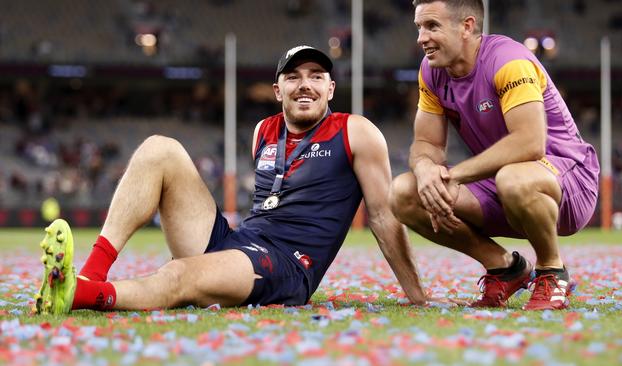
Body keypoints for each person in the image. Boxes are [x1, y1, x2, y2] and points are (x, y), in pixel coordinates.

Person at [34, 45, 438, 314]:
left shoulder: (356, 131)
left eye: (316, 76)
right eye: (294, 77)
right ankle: (92, 271)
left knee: (179, 274)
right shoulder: (263, 131)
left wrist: (416, 296)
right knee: (160, 147)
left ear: (330, 88)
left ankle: (79, 294)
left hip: (286, 266)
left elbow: (384, 217)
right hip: (239, 241)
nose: (305, 85)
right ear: (277, 88)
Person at [390, 0, 599, 310]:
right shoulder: (432, 72)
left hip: (568, 181)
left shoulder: (507, 60)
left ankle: (551, 270)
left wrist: (451, 174)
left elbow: (529, 143)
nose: (422, 38)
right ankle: (505, 267)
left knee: (514, 178)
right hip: (502, 183)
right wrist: (425, 171)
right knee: (404, 193)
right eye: (419, 27)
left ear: (467, 26)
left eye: (432, 26)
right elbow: (426, 144)